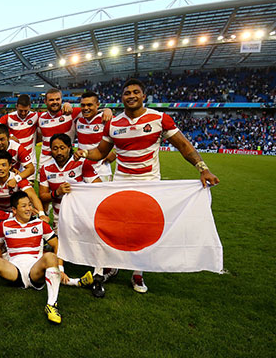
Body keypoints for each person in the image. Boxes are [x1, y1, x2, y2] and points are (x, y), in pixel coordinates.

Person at [74, 78, 220, 294]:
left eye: (136, 92)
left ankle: (138, 274)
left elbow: (183, 145)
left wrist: (202, 168)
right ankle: (112, 264)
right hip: (121, 182)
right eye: (127, 93)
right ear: (121, 98)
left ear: (144, 96)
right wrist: (85, 152)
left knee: (143, 229)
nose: (131, 96)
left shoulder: (160, 119)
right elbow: (100, 153)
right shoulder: (113, 124)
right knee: (118, 225)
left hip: (149, 183)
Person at [0, 191, 64, 324]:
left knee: (50, 256)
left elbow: (57, 245)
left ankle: (51, 305)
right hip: (15, 271)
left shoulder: (40, 224)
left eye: (30, 205)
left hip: (35, 271)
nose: (29, 209)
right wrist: (2, 261)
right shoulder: (5, 225)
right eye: (24, 206)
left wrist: (60, 268)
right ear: (14, 210)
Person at [37, 133, 104, 297]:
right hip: (60, 217)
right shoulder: (46, 168)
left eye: (62, 148)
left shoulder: (82, 163)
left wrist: (81, 191)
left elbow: (98, 187)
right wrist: (57, 192)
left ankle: (98, 276)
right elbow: (43, 196)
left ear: (69, 148)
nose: (59, 152)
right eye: (55, 148)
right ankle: (61, 273)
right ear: (50, 150)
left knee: (95, 241)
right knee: (60, 246)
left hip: (83, 214)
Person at [0, 151, 47, 221]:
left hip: (15, 215)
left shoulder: (17, 178)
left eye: (3, 165)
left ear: (10, 166)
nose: (0, 168)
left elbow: (32, 196)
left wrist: (41, 214)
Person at [75, 91, 116, 182]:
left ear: (97, 105)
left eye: (89, 105)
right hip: (81, 169)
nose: (86, 108)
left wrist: (115, 153)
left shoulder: (106, 119)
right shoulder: (79, 121)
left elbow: (121, 141)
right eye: (83, 105)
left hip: (101, 170)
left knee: (102, 195)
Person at [0, 94, 39, 171]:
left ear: (30, 106)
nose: (23, 113)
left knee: (29, 183)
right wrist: (9, 137)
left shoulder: (35, 116)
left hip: (29, 160)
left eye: (26, 110)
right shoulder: (9, 117)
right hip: (14, 160)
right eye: (20, 110)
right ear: (16, 106)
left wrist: (67, 106)